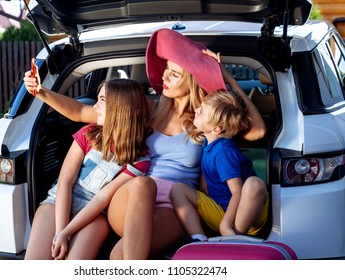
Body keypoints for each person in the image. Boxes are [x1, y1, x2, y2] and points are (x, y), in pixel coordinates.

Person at [23, 28, 266, 259]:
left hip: (175, 205)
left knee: (119, 257)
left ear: (192, 80)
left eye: (174, 74)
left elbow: (257, 131)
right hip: (131, 198)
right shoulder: (150, 108)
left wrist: (227, 79)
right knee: (143, 184)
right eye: (166, 69)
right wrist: (41, 92)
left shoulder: (206, 118)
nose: (164, 76)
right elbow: (80, 112)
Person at [24, 78, 150, 260]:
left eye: (102, 100)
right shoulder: (88, 134)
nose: (95, 106)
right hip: (58, 203)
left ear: (120, 107)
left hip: (94, 215)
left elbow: (101, 198)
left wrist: (68, 232)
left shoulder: (140, 160)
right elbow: (65, 183)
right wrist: (61, 232)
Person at [171, 90, 268, 244]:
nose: (196, 110)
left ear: (216, 129)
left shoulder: (224, 152)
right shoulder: (208, 142)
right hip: (221, 210)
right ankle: (199, 238)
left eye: (201, 112)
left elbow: (237, 193)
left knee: (254, 184)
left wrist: (225, 225)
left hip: (245, 217)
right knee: (178, 190)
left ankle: (235, 238)